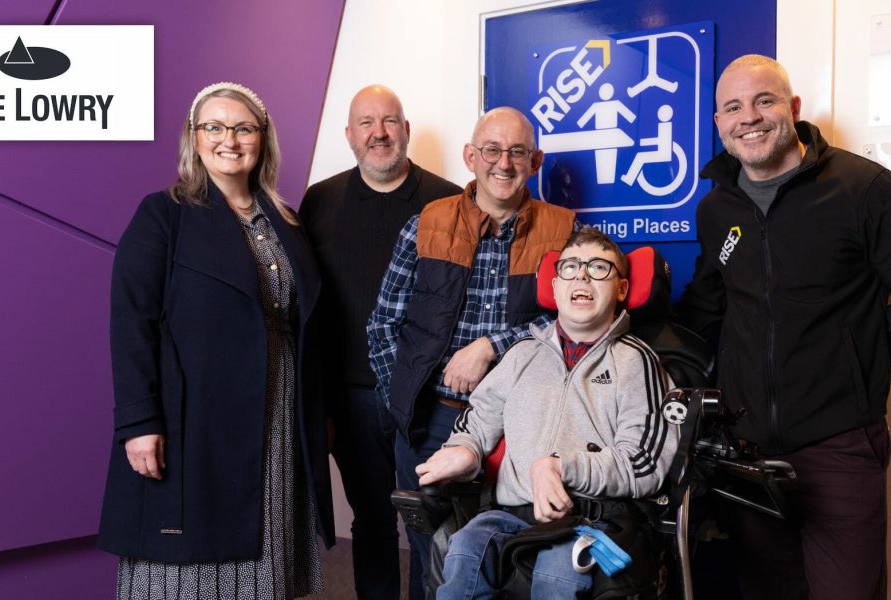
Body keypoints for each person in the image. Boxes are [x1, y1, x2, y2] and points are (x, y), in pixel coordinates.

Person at [673, 55, 891, 600]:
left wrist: (851, 365)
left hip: (840, 445)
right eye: (733, 107)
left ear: (793, 108)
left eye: (764, 100)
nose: (749, 117)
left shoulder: (862, 187)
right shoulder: (716, 208)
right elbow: (706, 310)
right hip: (746, 451)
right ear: (718, 123)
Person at [97, 82, 333, 599]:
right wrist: (139, 422)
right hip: (194, 418)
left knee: (262, 556)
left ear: (262, 140)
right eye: (214, 126)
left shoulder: (287, 221)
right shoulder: (164, 214)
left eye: (243, 127)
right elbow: (131, 322)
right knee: (188, 566)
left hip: (276, 412)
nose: (229, 139)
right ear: (194, 138)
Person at [367, 106, 578, 599]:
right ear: (470, 156)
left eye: (517, 152)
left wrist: (489, 347)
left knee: (507, 554)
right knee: (430, 556)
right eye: (491, 150)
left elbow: (576, 320)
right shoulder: (427, 223)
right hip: (431, 420)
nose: (503, 163)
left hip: (520, 424)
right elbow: (383, 323)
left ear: (537, 160)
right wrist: (401, 399)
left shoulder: (563, 231)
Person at [416, 228, 680, 598]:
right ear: (555, 287)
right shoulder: (521, 355)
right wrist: (466, 450)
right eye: (570, 267)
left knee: (559, 572)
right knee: (462, 550)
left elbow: (644, 463)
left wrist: (560, 466)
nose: (583, 276)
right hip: (511, 513)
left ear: (621, 290)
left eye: (599, 268)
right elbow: (476, 422)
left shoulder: (637, 361)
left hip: (593, 517)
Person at [300, 84, 461, 600]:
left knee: (426, 521)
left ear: (406, 130)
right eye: (366, 123)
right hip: (350, 399)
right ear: (349, 135)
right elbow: (310, 304)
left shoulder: (448, 199)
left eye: (389, 121)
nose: (379, 133)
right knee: (370, 522)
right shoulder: (319, 200)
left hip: (424, 396)